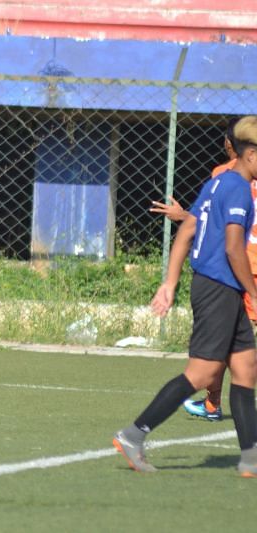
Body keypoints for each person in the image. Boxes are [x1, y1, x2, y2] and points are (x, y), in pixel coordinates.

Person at [113, 116, 257, 476]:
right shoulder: (238, 188)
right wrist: (254, 292)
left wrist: (170, 282)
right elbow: (233, 248)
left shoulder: (217, 182)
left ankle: (251, 458)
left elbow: (186, 231)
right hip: (219, 289)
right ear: (251, 154)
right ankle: (134, 434)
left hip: (221, 288)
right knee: (203, 372)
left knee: (245, 366)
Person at [150, 117, 256, 422]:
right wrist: (186, 216)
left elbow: (210, 229)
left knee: (229, 353)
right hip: (236, 271)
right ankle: (214, 406)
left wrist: (185, 217)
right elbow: (213, 227)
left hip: (237, 269)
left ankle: (215, 408)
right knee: (231, 350)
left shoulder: (222, 177)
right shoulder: (226, 179)